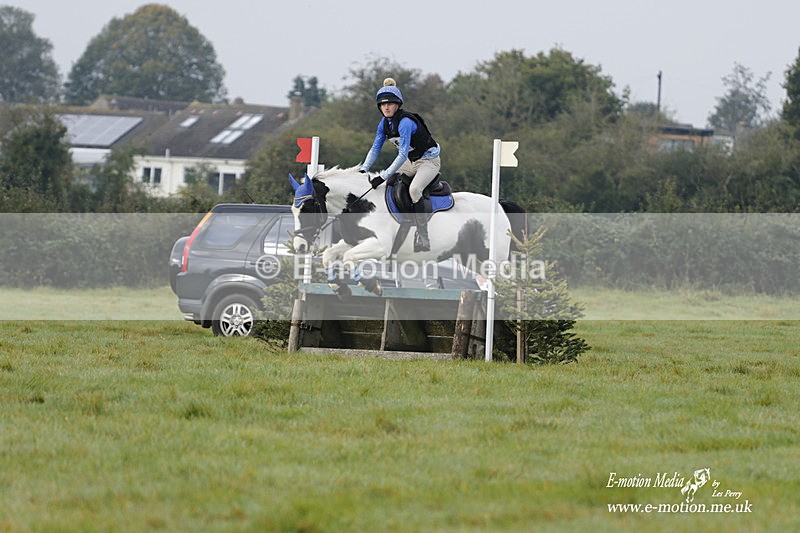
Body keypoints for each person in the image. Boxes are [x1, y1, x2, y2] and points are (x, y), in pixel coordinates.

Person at [359, 78, 440, 252]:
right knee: (388, 184)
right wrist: (363, 169)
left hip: (428, 161)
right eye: (382, 104)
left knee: (414, 190)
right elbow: (375, 148)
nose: (386, 107)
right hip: (410, 162)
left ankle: (422, 235)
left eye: (390, 104)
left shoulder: (405, 123)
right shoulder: (384, 124)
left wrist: (382, 175)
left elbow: (401, 154)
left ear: (398, 105)